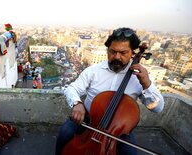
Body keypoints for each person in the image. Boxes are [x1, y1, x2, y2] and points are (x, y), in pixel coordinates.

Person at [55, 27, 165, 155]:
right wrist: (77, 104)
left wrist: (146, 83)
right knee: (65, 132)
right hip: (89, 120)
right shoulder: (93, 71)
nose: (117, 57)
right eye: (112, 52)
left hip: (118, 129)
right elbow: (72, 88)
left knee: (130, 152)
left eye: (123, 53)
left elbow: (157, 108)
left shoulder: (141, 76)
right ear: (107, 50)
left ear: (132, 54)